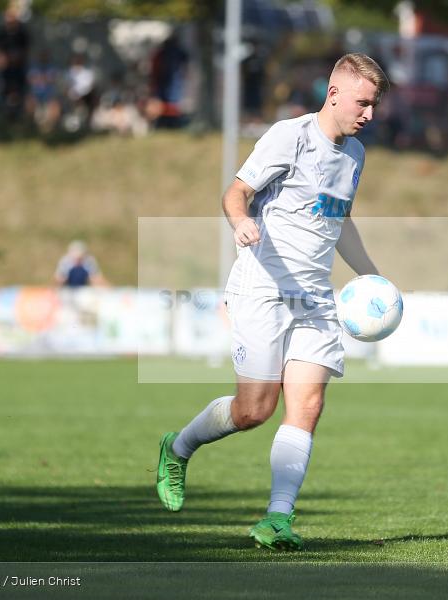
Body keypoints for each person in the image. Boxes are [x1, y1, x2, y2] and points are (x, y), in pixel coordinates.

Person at [155, 53, 389, 551]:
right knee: (254, 410)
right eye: (363, 103)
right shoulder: (291, 136)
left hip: (315, 299)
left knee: (307, 404)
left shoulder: (355, 157)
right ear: (334, 94)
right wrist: (241, 222)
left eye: (374, 105)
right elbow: (236, 192)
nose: (369, 114)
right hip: (261, 289)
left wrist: (371, 276)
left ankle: (277, 519)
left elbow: (338, 221)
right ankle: (177, 449)